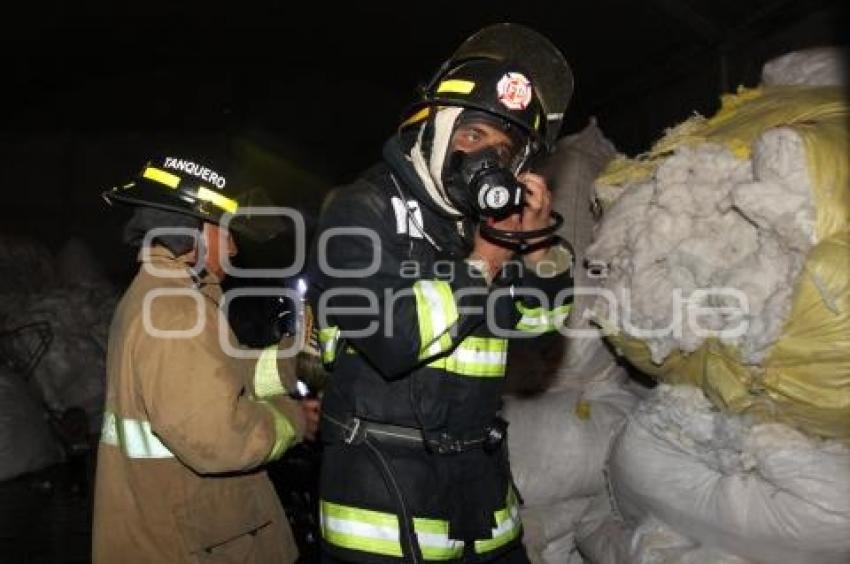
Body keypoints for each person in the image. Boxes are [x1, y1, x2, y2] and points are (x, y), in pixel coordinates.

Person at [307, 23, 575, 563]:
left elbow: (536, 323)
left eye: (505, 149)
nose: (484, 159)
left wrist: (540, 250)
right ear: (433, 128)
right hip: (382, 517)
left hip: (480, 507)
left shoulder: (476, 226)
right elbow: (392, 337)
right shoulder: (362, 211)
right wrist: (486, 261)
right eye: (472, 135)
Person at [93, 153, 320, 563]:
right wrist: (295, 419)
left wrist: (292, 362)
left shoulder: (169, 299)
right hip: (187, 547)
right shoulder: (174, 312)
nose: (233, 247)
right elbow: (218, 438)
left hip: (188, 534)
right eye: (225, 231)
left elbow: (219, 378)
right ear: (191, 232)